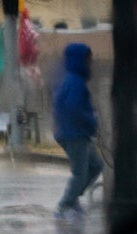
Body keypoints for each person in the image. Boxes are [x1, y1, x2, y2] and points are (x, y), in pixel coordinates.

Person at [52, 43, 103, 222]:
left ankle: (72, 200)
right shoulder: (75, 82)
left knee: (97, 166)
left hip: (77, 133)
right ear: (79, 61)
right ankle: (65, 205)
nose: (90, 63)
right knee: (80, 174)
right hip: (74, 135)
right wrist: (93, 120)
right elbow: (74, 108)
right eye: (88, 60)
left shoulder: (72, 79)